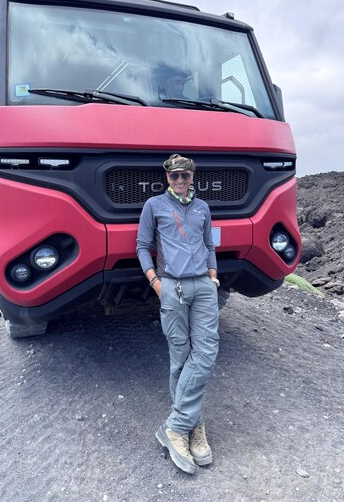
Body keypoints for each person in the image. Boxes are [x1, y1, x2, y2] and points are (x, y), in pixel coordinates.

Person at [136, 154, 220, 474]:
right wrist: (155, 283)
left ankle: (175, 426)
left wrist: (213, 276)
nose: (180, 181)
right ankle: (193, 426)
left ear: (193, 177)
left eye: (185, 175)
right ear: (167, 178)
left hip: (203, 286)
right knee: (181, 357)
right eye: (175, 176)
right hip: (172, 286)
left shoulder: (202, 208)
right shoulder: (154, 206)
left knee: (206, 351)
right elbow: (142, 246)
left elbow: (209, 244)